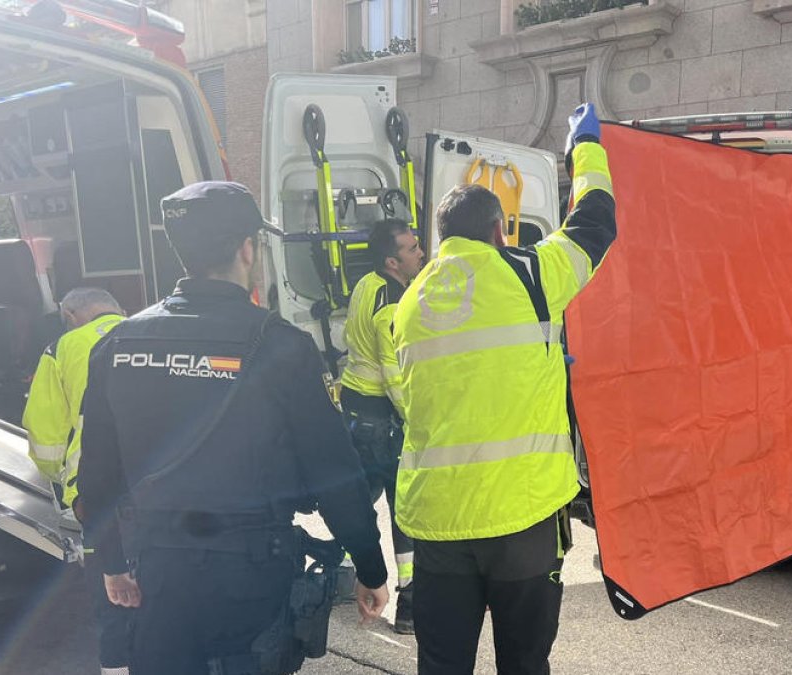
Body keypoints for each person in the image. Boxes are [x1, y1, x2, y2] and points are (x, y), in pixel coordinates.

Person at [78, 181, 389, 675]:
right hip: (252, 575)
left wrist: (112, 563)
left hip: (159, 571)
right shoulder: (280, 345)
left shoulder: (119, 344)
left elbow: (95, 477)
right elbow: (335, 473)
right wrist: (370, 567)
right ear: (248, 248)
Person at [392, 103, 616, 674]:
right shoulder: (531, 274)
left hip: (437, 524)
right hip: (523, 519)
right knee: (522, 662)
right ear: (500, 230)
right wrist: (584, 145)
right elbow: (596, 220)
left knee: (442, 664)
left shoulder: (410, 303)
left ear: (440, 237)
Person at [21, 286, 131, 675]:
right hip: (157, 494)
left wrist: (59, 483)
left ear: (69, 315)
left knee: (113, 601)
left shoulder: (62, 348)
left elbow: (45, 437)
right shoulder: (148, 334)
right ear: (118, 309)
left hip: (95, 499)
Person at [338, 218, 425, 634]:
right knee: (404, 513)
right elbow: (395, 379)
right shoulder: (392, 305)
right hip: (382, 422)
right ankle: (410, 606)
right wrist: (420, 421)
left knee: (355, 502)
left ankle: (339, 572)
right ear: (393, 261)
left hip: (355, 411)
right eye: (412, 249)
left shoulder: (366, 284)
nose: (421, 253)